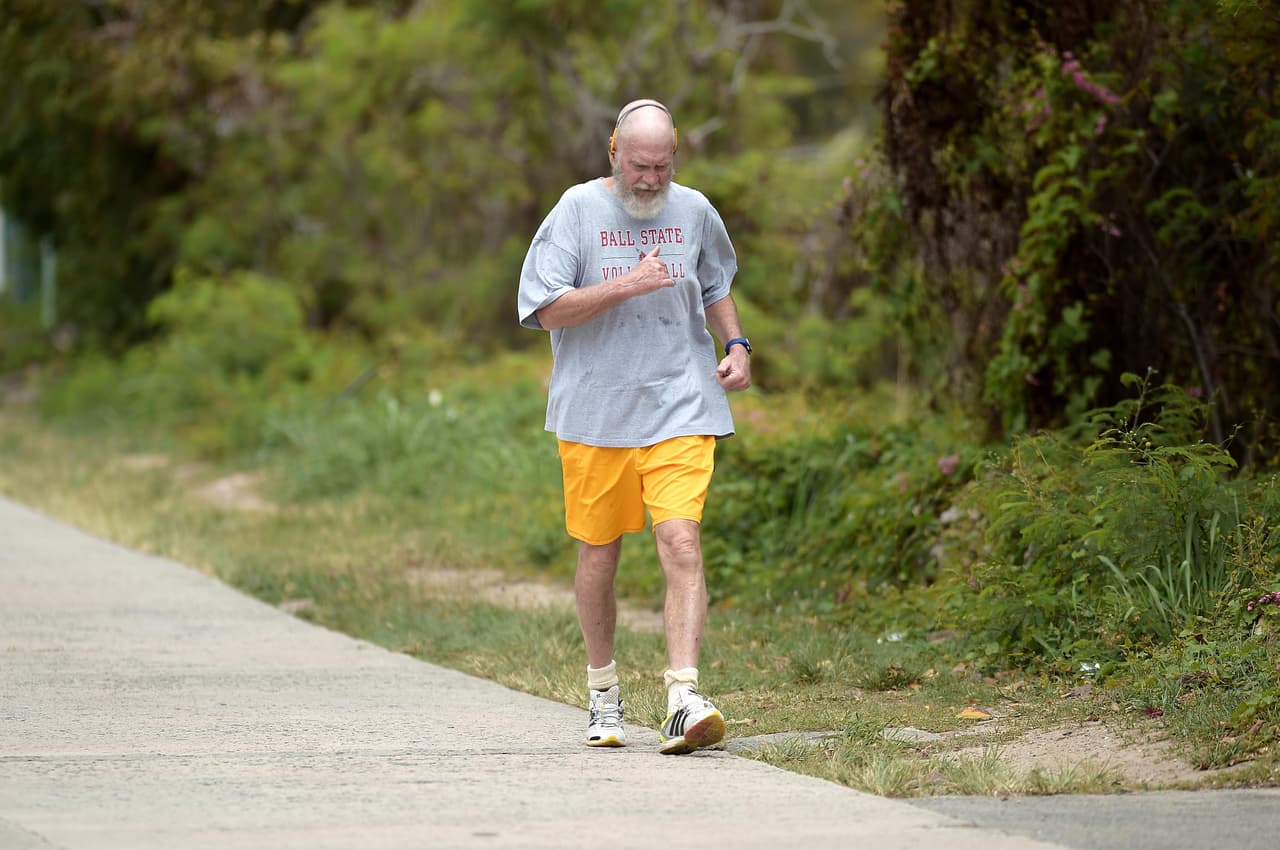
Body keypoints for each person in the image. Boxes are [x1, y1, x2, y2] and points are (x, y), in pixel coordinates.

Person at [517, 98, 752, 755]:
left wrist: (737, 346)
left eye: (662, 166)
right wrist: (627, 284)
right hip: (596, 411)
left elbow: (716, 283)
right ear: (614, 152)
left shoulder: (696, 210)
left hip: (681, 402)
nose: (650, 178)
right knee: (600, 553)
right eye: (639, 165)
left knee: (680, 540)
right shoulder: (576, 211)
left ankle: (682, 696)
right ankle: (603, 694)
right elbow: (545, 308)